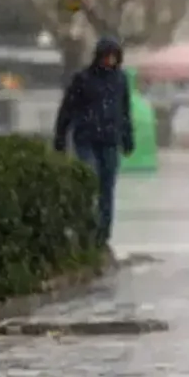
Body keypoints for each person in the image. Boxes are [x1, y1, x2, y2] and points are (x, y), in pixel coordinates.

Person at [54, 37, 134, 246]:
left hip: (110, 140)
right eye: (107, 56)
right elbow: (67, 109)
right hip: (86, 138)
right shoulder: (83, 79)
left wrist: (127, 137)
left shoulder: (121, 80)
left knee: (107, 188)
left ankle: (103, 234)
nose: (110, 61)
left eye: (114, 57)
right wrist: (61, 136)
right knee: (90, 180)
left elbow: (124, 110)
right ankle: (86, 229)